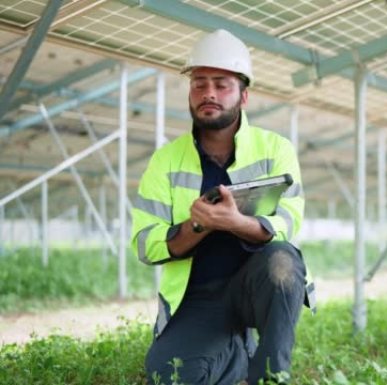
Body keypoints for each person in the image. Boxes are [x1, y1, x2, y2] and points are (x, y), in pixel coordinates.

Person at [131, 29, 314, 385]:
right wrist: (197, 226)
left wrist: (233, 222)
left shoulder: (274, 149)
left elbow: (288, 223)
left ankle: (270, 376)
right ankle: (234, 352)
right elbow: (144, 243)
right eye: (199, 84)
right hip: (198, 297)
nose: (208, 93)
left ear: (243, 96)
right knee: (171, 376)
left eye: (221, 84)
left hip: (254, 285)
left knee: (282, 261)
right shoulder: (165, 161)